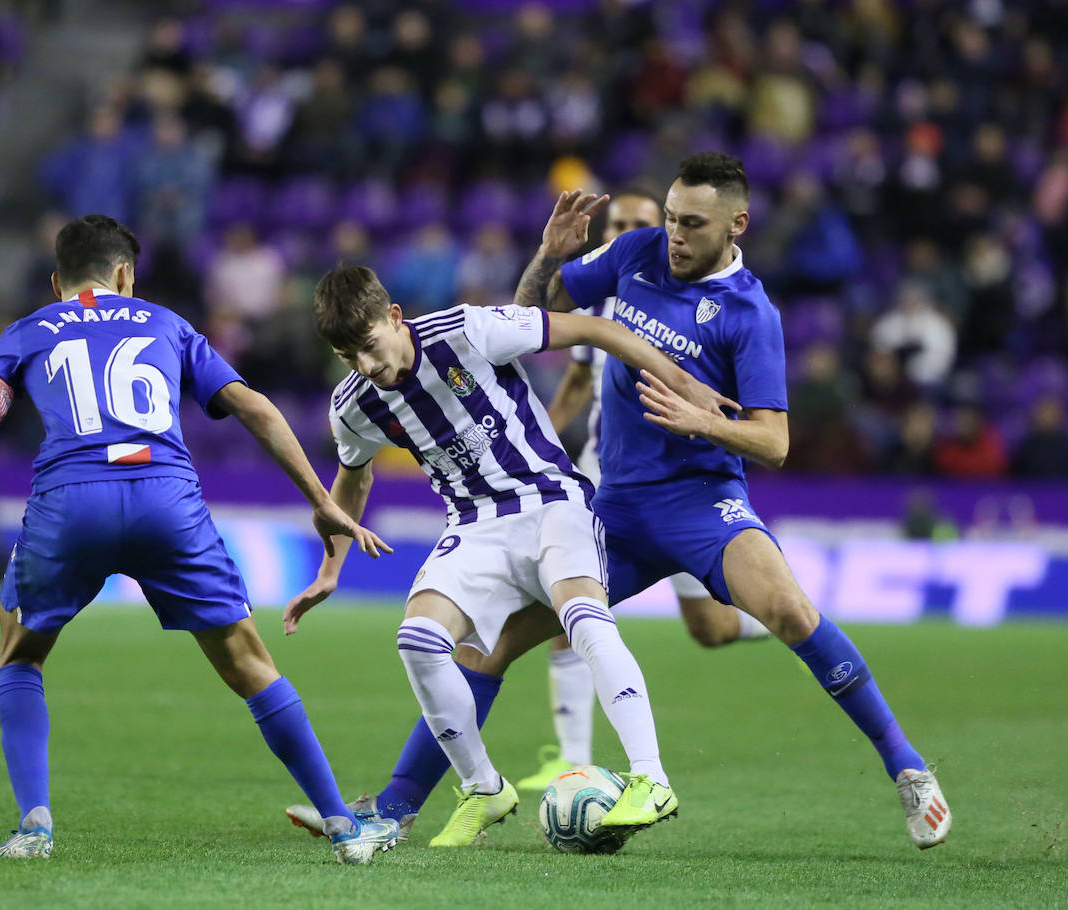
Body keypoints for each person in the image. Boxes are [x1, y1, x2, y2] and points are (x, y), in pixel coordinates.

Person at [508, 152, 951, 849]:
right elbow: (523, 323)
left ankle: (907, 766)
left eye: (691, 224)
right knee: (501, 637)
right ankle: (399, 804)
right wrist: (547, 255)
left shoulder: (751, 313)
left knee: (790, 609)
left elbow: (773, 444)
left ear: (736, 224)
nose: (674, 235)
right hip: (616, 510)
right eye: (671, 217)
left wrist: (704, 422)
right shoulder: (636, 252)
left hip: (701, 505)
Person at [0, 214, 400, 864]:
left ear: (56, 283)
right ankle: (344, 826)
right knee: (250, 664)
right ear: (125, 275)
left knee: (20, 657)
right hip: (167, 500)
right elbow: (256, 408)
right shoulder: (168, 324)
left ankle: (34, 828)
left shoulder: (26, 332)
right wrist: (322, 502)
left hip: (70, 503)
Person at [281, 262, 737, 848]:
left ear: (395, 318)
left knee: (582, 620)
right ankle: (484, 787)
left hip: (551, 499)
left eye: (370, 346)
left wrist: (683, 382)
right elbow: (353, 478)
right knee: (417, 638)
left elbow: (596, 332)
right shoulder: (354, 405)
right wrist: (330, 568)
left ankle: (650, 777)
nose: (367, 366)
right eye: (350, 358)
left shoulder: (467, 331)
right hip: (474, 526)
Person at [515, 187, 769, 793]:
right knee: (565, 609)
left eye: (639, 223)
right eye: (619, 221)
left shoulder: (683, 303)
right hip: (603, 477)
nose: (623, 229)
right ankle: (573, 757)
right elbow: (577, 381)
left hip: (678, 489)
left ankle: (775, 614)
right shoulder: (593, 302)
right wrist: (539, 441)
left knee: (708, 630)